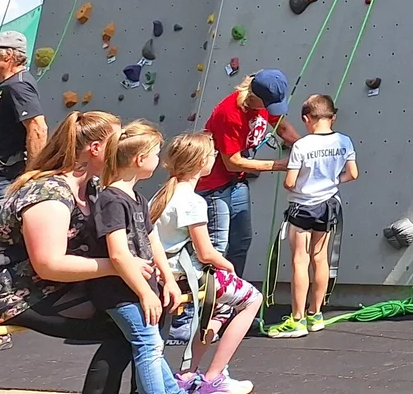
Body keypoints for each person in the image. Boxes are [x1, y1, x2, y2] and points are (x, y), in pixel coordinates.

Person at [0, 109, 134, 394]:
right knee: (125, 325)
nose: (124, 150)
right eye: (119, 143)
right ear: (95, 149)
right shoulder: (48, 194)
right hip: (18, 294)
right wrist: (120, 266)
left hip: (57, 288)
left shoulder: (91, 188)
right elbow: (49, 264)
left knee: (141, 313)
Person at [150, 132, 261, 394]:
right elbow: (206, 252)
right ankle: (214, 377)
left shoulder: (160, 196)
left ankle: (189, 374)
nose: (213, 158)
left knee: (219, 308)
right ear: (201, 163)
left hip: (169, 274)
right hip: (188, 276)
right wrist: (228, 266)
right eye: (211, 155)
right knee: (252, 298)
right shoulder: (192, 201)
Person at [90, 120, 187, 394]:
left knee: (152, 343)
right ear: (140, 158)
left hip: (136, 288)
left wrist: (168, 279)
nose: (159, 159)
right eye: (156, 153)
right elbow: (119, 254)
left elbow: (151, 239)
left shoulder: (137, 198)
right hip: (119, 291)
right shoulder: (111, 200)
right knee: (148, 343)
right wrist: (145, 293)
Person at [264, 94, 357, 338]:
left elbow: (290, 182)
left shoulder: (302, 146)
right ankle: (316, 314)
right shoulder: (344, 141)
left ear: (306, 119)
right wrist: (331, 182)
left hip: (302, 207)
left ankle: (297, 318)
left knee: (299, 261)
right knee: (320, 258)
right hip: (328, 206)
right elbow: (352, 174)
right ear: (333, 117)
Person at [196, 70, 301, 282]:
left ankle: (235, 298)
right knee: (218, 245)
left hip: (236, 182)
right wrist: (278, 165)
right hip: (215, 185)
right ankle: (212, 301)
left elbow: (282, 126)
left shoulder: (265, 100)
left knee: (242, 241)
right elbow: (232, 162)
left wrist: (304, 146)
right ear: (255, 97)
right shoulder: (229, 113)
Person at [0, 29, 47, 246]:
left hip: (1, 180)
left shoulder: (19, 85)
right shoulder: (8, 85)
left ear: (8, 56)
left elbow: (37, 128)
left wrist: (31, 175)